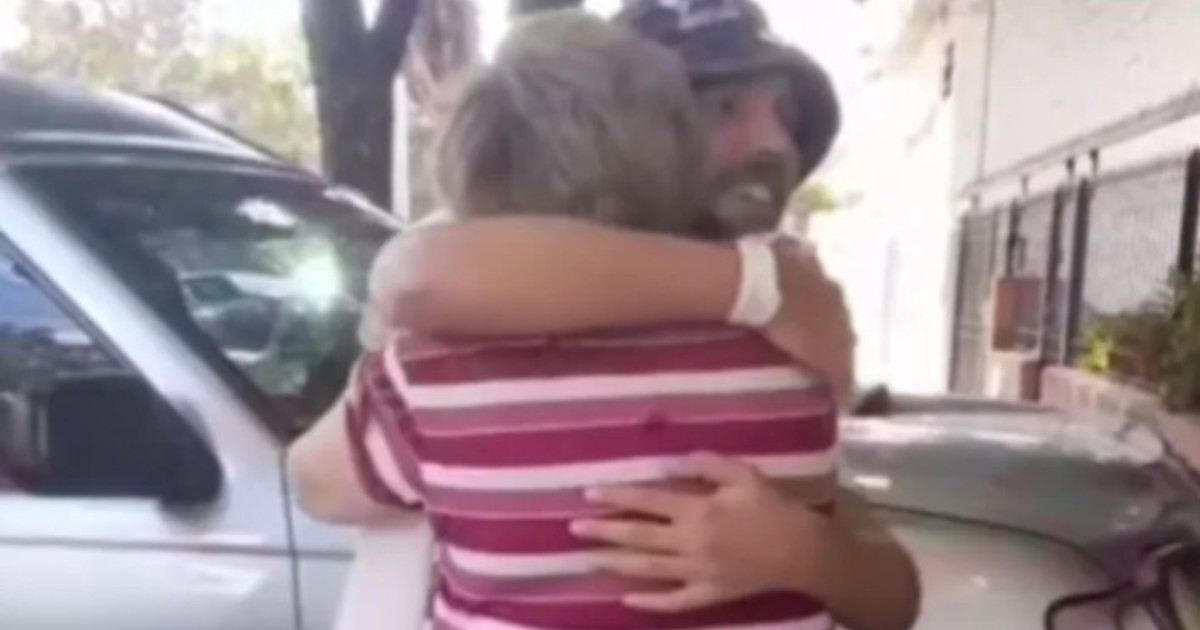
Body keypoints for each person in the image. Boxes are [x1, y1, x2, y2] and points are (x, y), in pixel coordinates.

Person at [333, 2, 918, 630]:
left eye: (788, 117)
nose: (777, 144)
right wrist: (752, 285)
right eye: (724, 109)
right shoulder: (772, 310)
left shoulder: (784, 315)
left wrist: (808, 553)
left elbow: (890, 592)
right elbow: (413, 273)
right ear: (648, 129)